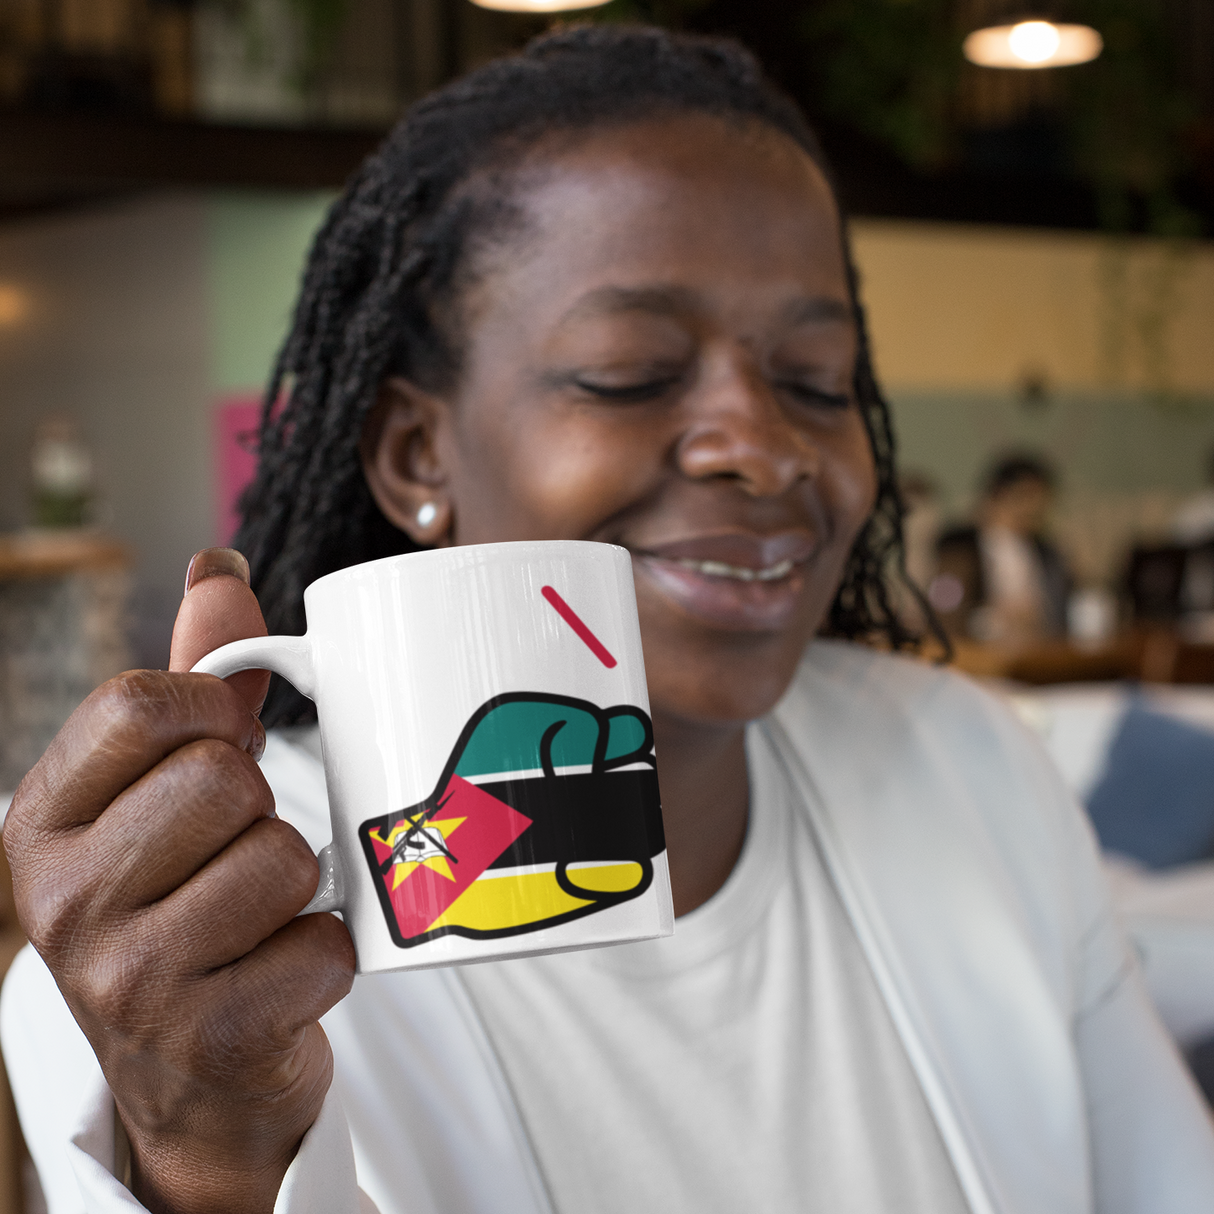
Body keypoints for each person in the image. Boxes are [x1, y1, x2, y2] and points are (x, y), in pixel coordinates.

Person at [3, 25, 1213, 1214]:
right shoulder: (188, 931)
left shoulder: (963, 763)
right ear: (418, 449)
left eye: (816, 379)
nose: (763, 446)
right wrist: (211, 1154)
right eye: (629, 371)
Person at [933, 453, 1071, 644]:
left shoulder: (1047, 552)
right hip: (980, 655)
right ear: (997, 496)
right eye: (1024, 497)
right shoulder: (958, 548)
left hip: (1039, 652)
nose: (1032, 508)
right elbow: (945, 609)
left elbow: (1062, 613)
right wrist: (993, 620)